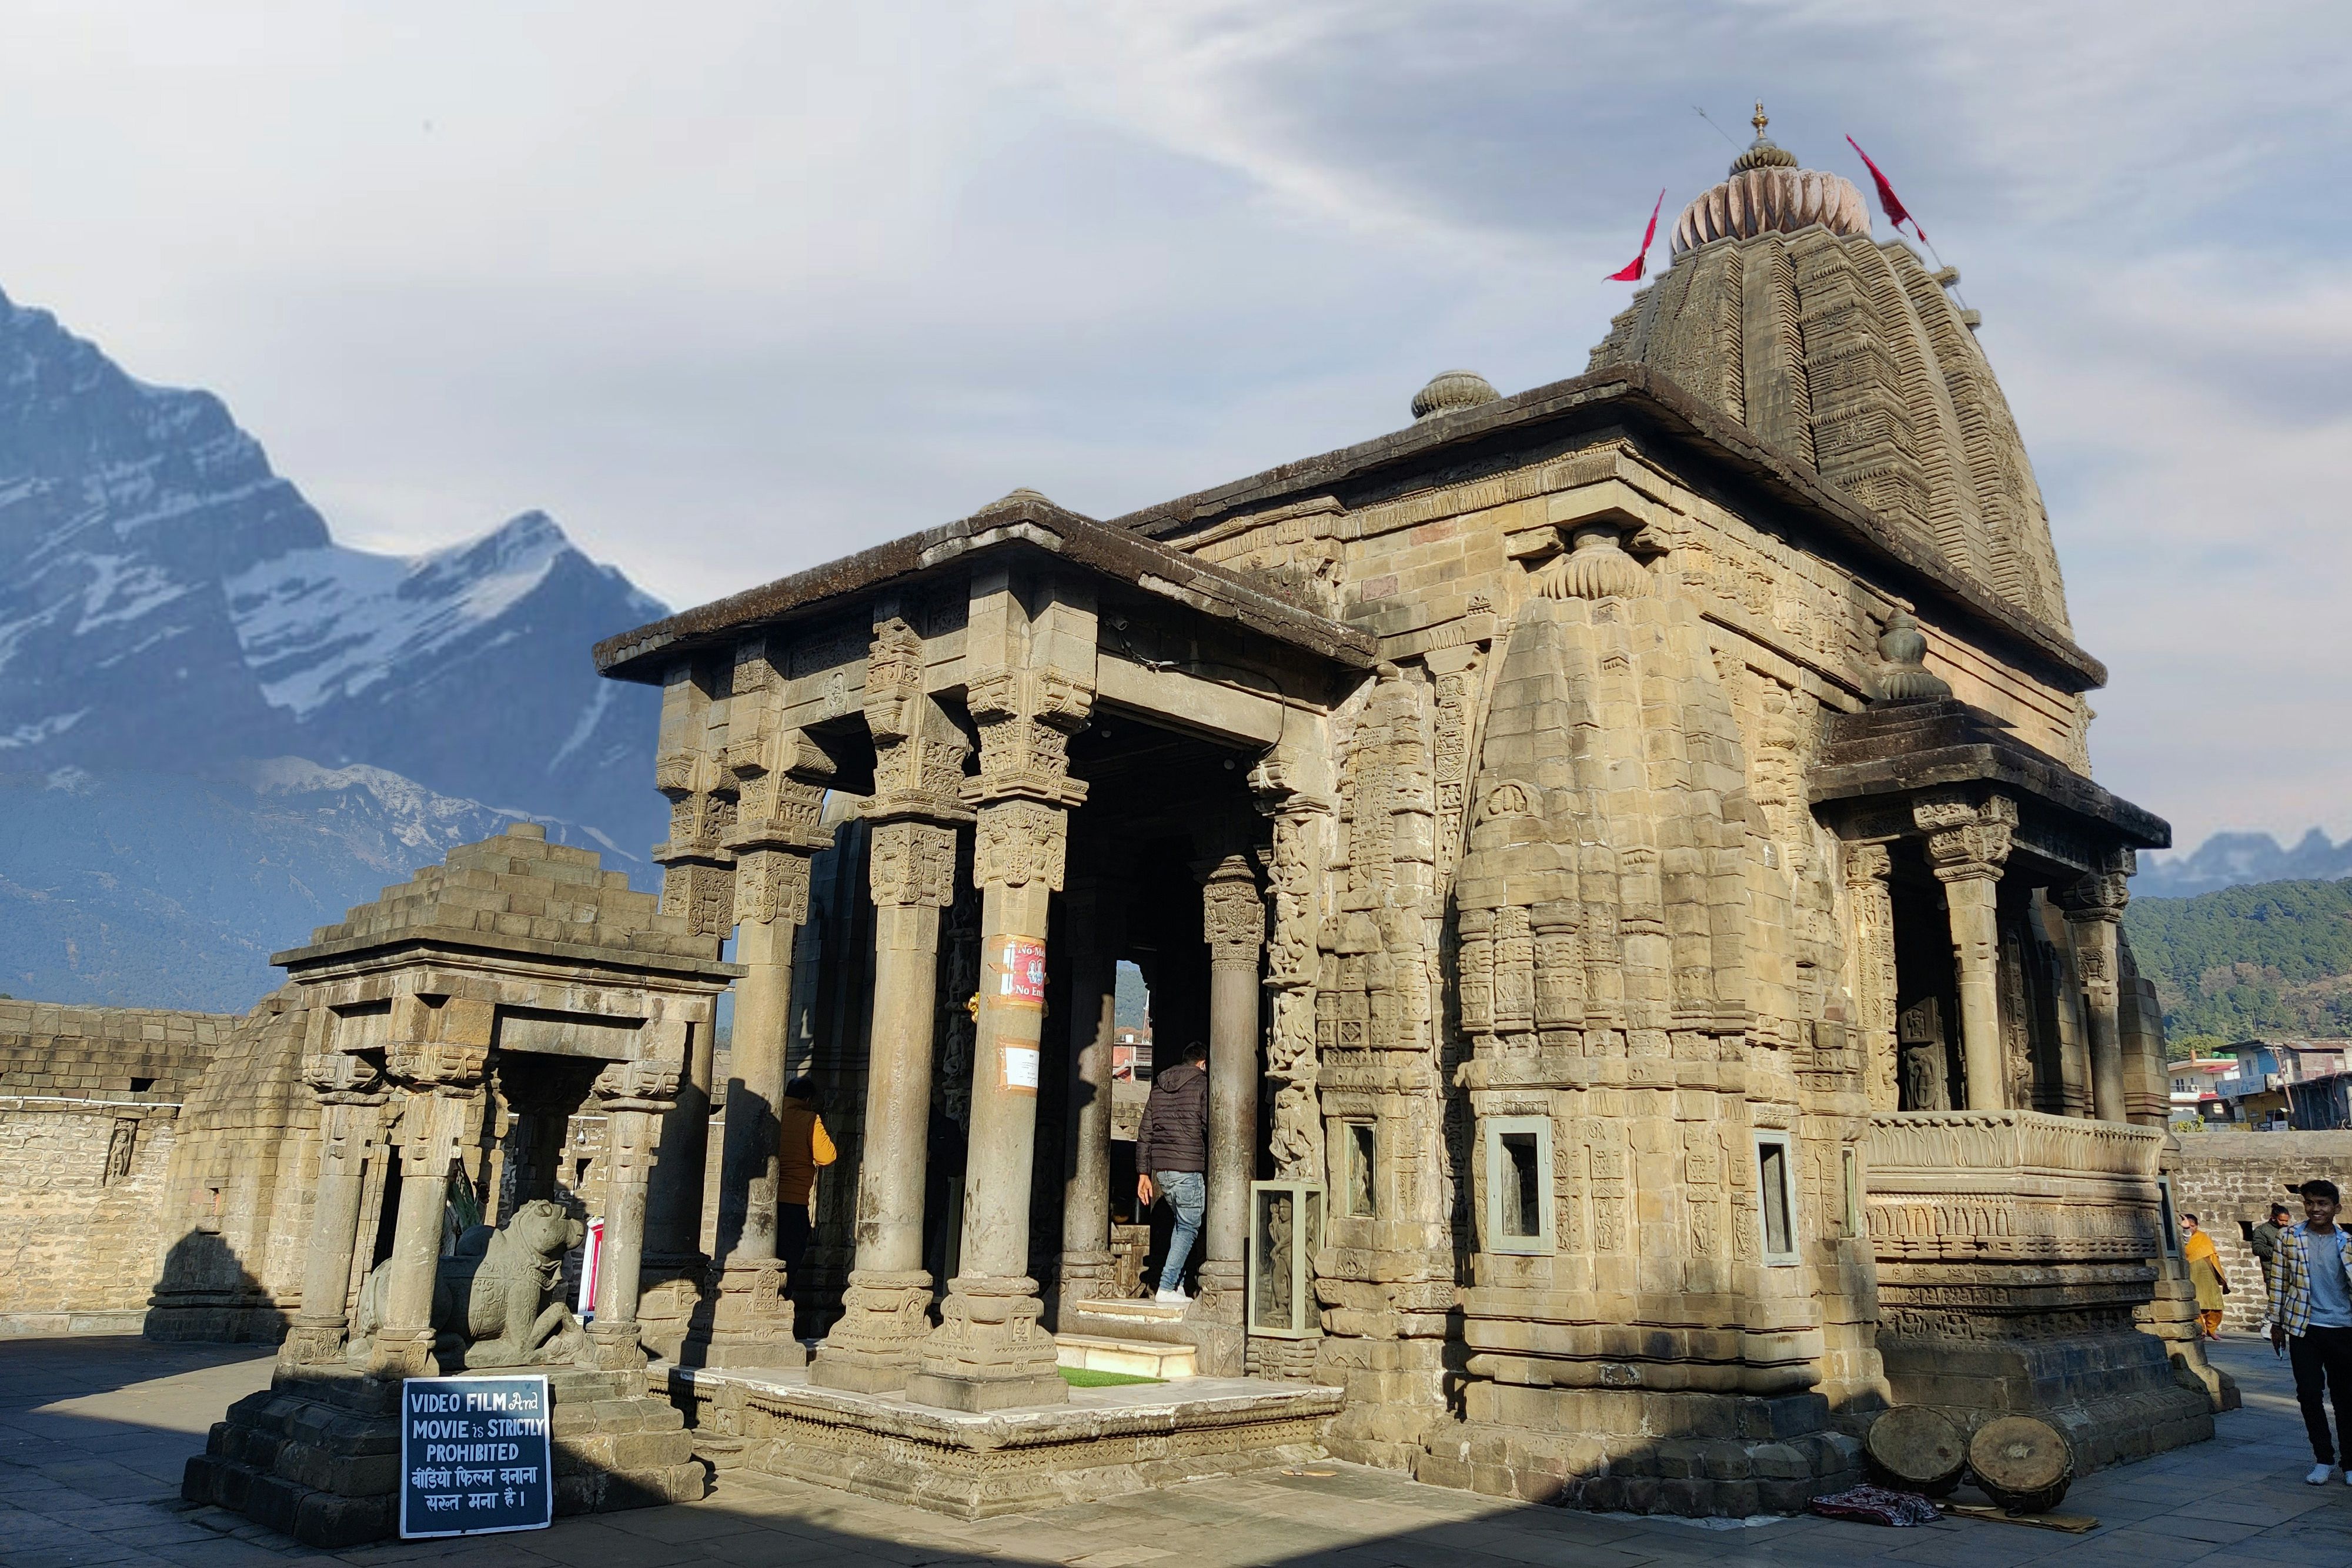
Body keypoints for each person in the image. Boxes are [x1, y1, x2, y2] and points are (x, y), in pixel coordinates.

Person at [2270, 1179, 2352, 1485]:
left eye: (2323, 1204)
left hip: (2344, 1327)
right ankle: (2323, 1459)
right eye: (2310, 1203)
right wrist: (2276, 1323)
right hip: (2304, 1327)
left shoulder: (2348, 1241)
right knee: (2308, 1394)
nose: (2316, 1209)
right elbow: (2278, 1281)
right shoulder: (2289, 1237)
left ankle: (2350, 1462)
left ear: (2336, 1208)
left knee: (2345, 1397)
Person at [1135, 1040, 1210, 1304]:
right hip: (1187, 1167)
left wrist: (1144, 1174)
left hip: (1163, 1171)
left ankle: (1176, 1286)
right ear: (1202, 1064)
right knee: (1189, 1226)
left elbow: (1145, 1133)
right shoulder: (1202, 1084)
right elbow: (1209, 1123)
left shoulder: (1158, 1087)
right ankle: (1166, 1286)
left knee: (1180, 1225)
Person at [777, 1075, 837, 1282]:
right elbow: (827, 1157)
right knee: (790, 1259)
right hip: (794, 1200)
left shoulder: (773, 1114)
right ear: (809, 1099)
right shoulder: (809, 1119)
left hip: (765, 1201)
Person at [2181, 1213, 2229, 1339]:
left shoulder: (2203, 1237)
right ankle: (2200, 1330)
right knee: (2197, 1304)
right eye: (2189, 1226)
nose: (2192, 1228)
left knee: (2215, 1304)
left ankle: (2211, 1329)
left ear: (2197, 1226)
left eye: (2194, 1226)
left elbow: (2213, 1254)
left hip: (2208, 1273)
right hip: (2192, 1272)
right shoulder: (2182, 1237)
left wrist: (2219, 1275)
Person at [2254, 1202, 2291, 1332]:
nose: (2284, 1223)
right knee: (2275, 1300)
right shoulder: (2262, 1230)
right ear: (2274, 1218)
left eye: (2286, 1221)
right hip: (2272, 1271)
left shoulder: (2288, 1231)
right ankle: (2268, 1324)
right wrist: (2277, 1252)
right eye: (2281, 1220)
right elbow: (2257, 1248)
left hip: (2289, 1271)